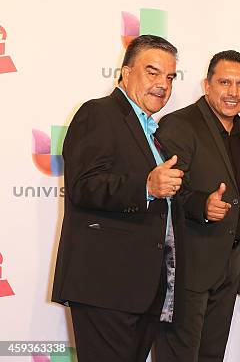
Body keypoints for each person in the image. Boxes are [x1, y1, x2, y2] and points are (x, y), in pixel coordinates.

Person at [52, 34, 185, 362]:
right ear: (126, 73)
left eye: (169, 77)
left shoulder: (154, 133)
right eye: (152, 72)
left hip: (144, 290)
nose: (162, 85)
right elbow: (84, 185)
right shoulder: (98, 114)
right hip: (106, 286)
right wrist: (147, 187)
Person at [154, 50, 240, 362]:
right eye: (224, 82)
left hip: (229, 263)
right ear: (206, 85)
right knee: (178, 356)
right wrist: (201, 204)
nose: (233, 92)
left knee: (212, 355)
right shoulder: (179, 125)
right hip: (187, 265)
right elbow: (164, 189)